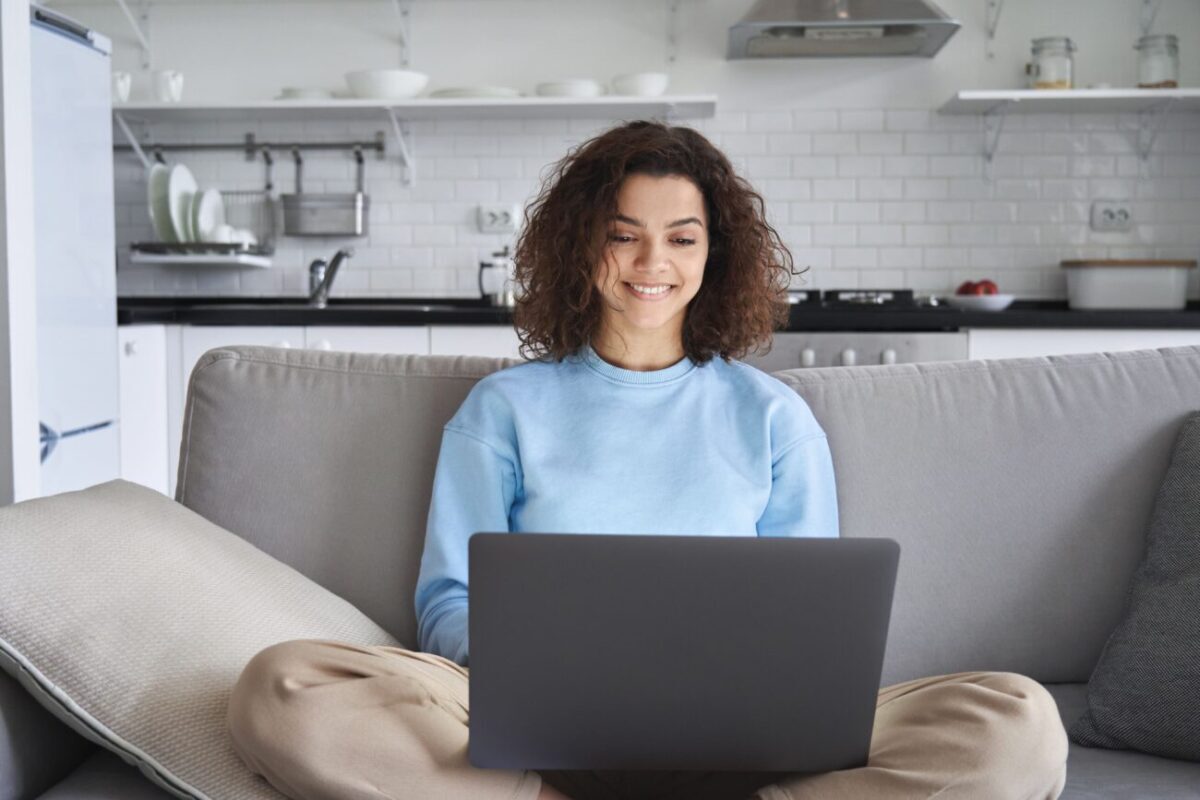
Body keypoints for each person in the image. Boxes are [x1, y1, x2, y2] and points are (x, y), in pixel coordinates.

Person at [226, 120, 1068, 800]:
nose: (651, 263)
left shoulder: (774, 416)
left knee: (1017, 722)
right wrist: (540, 670)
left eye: (680, 238)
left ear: (714, 255)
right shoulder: (504, 410)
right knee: (282, 688)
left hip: (745, 741)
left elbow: (817, 627)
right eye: (623, 235)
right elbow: (448, 604)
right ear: (581, 248)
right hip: (538, 736)